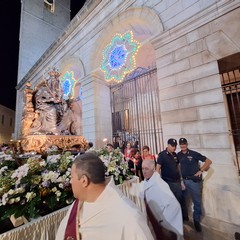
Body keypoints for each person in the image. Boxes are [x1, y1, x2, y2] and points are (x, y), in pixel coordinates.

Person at [55, 153, 154, 240]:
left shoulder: (129, 219)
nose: (70, 182)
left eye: (72, 177)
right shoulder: (79, 203)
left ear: (84, 181)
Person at [128, 160, 184, 240]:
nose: (144, 171)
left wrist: (164, 222)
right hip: (154, 219)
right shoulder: (148, 180)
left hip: (162, 223)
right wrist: (129, 186)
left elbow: (175, 206)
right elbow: (142, 187)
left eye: (146, 169)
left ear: (153, 169)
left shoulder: (160, 185)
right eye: (142, 168)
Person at [177, 137, 212, 232]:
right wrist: (180, 179)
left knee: (197, 202)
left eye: (184, 143)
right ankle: (185, 217)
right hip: (184, 182)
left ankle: (196, 221)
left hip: (194, 182)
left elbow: (208, 161)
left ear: (187, 144)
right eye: (181, 144)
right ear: (179, 145)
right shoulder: (178, 155)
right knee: (183, 200)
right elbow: (177, 166)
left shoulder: (193, 153)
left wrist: (201, 170)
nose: (183, 145)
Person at [156, 138, 188, 221]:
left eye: (175, 146)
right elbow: (158, 168)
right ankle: (172, 219)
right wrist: (158, 182)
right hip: (168, 182)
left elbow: (178, 167)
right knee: (170, 202)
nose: (174, 147)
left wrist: (181, 180)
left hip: (176, 182)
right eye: (172, 146)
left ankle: (183, 218)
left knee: (180, 200)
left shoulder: (175, 155)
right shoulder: (162, 155)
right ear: (168, 145)